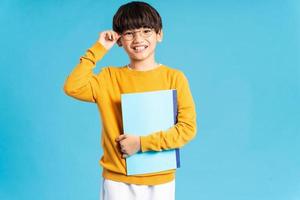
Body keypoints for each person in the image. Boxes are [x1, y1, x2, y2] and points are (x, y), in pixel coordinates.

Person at [63, 1, 197, 200]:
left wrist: (141, 143)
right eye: (129, 33)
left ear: (159, 34)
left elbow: (187, 128)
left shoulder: (175, 78)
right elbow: (72, 86)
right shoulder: (108, 78)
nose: (138, 39)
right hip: (118, 179)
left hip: (161, 179)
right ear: (119, 39)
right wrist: (98, 49)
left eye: (146, 31)